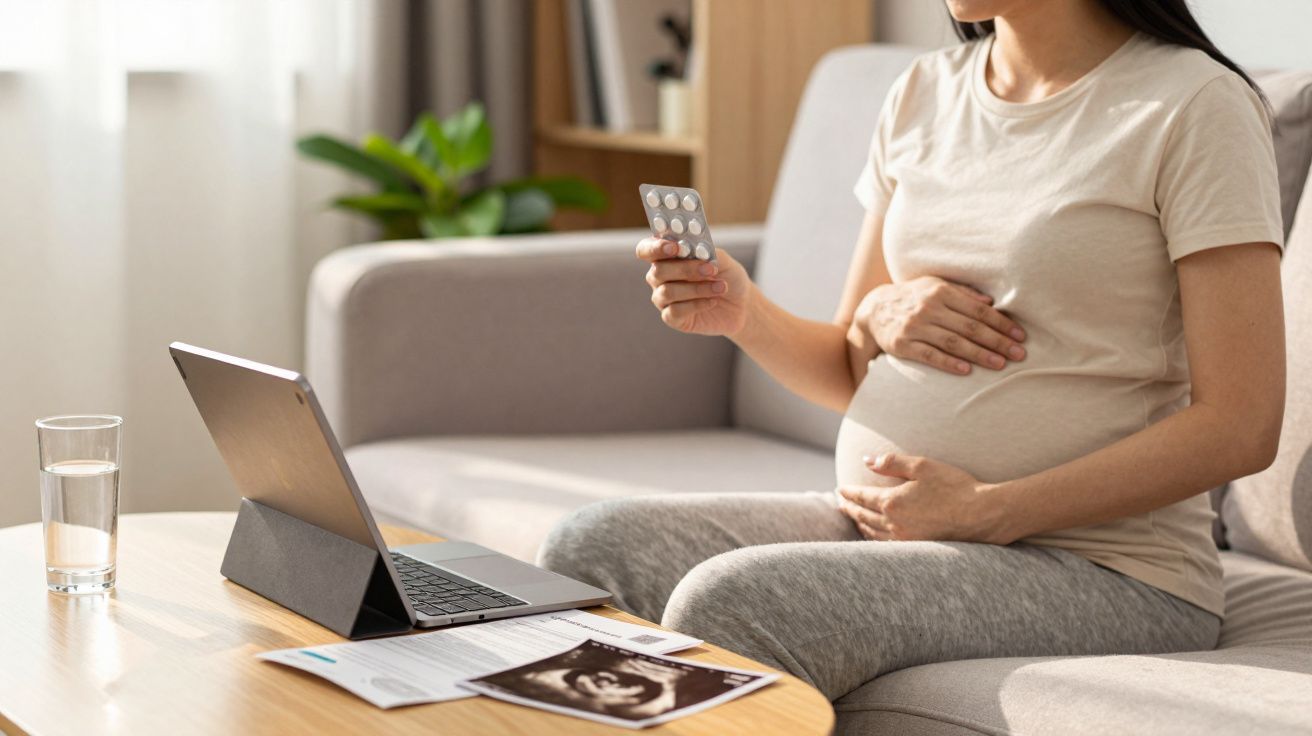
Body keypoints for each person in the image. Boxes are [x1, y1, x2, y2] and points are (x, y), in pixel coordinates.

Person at [537, 0, 1287, 701]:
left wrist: (986, 512)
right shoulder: (926, 90)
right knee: (594, 547)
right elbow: (848, 370)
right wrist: (744, 311)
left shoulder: (1195, 104)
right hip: (891, 522)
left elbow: (1241, 423)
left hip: (1110, 568)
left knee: (735, 600)